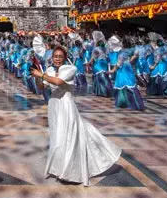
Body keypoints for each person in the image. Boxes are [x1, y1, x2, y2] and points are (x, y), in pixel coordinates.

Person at [31, 46, 121, 186]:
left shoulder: (69, 69)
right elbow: (43, 87)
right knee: (57, 138)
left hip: (66, 106)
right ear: (52, 57)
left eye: (60, 56)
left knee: (67, 137)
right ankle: (59, 168)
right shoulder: (49, 70)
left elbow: (58, 82)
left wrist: (41, 75)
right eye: (55, 56)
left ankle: (69, 171)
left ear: (65, 57)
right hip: (54, 105)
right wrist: (36, 77)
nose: (58, 59)